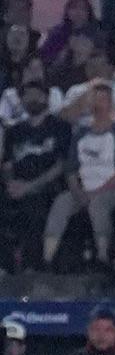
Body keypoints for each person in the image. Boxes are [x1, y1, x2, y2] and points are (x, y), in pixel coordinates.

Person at [42, 84, 115, 270]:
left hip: (110, 187)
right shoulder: (80, 134)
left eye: (102, 100)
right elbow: (71, 169)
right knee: (61, 203)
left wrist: (96, 192)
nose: (98, 104)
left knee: (98, 206)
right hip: (83, 187)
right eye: (95, 99)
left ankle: (103, 256)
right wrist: (77, 191)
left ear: (110, 104)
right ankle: (47, 259)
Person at [0, 78, 70, 270]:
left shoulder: (60, 127)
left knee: (35, 207)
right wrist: (10, 184)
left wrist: (30, 187)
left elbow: (60, 165)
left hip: (48, 186)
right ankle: (5, 265)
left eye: (37, 95)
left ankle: (33, 266)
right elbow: (6, 164)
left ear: (46, 98)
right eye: (28, 96)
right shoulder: (14, 131)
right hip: (17, 185)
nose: (32, 100)